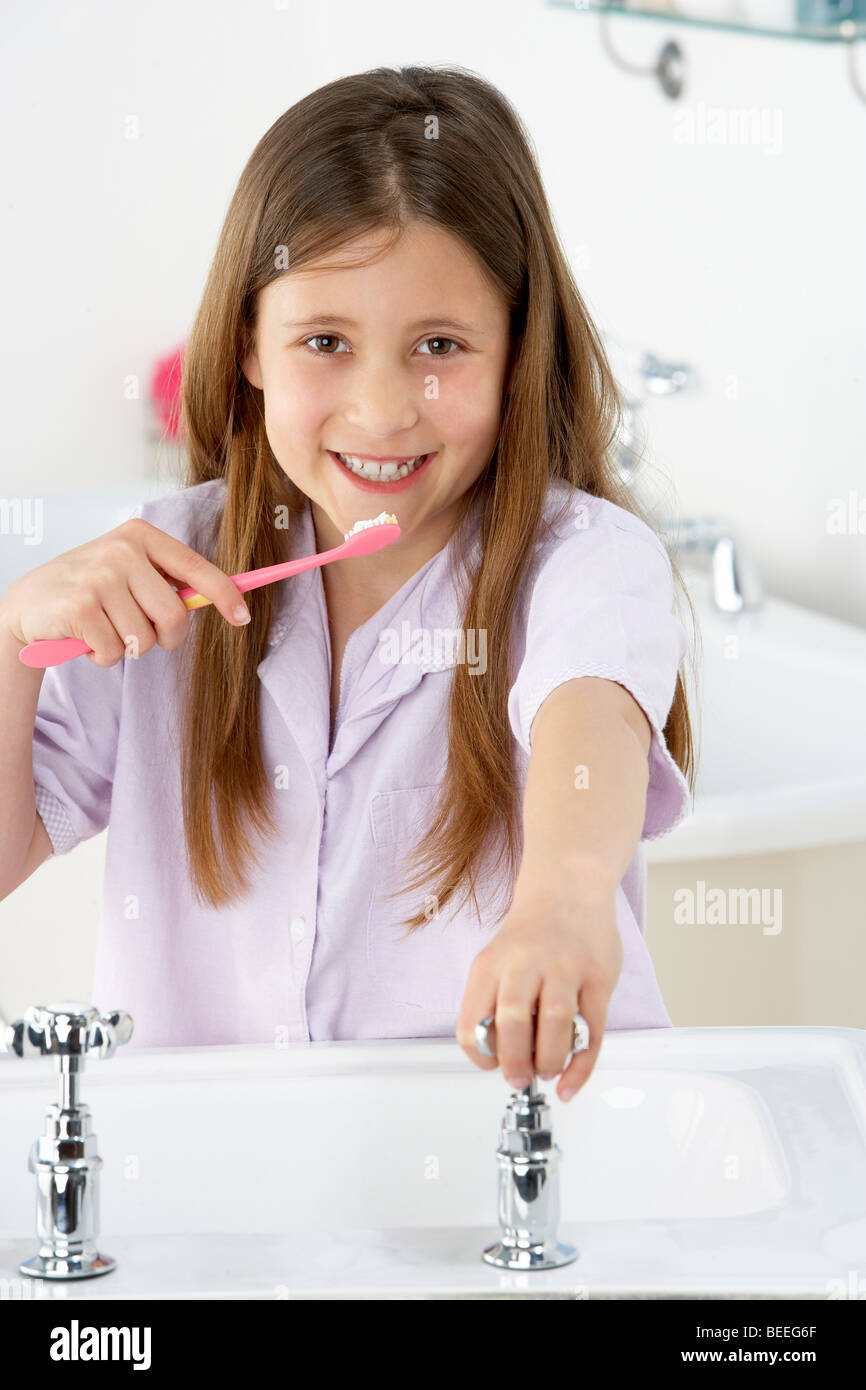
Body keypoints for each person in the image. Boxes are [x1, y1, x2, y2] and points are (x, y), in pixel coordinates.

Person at [0, 65, 696, 1104]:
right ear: (247, 345)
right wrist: (10, 643)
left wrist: (560, 898)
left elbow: (584, 717)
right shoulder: (162, 569)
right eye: (325, 341)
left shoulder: (583, 561)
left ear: (516, 352)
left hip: (499, 1198)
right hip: (222, 1211)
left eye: (439, 347)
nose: (380, 410)